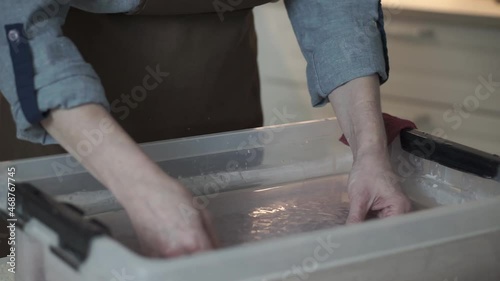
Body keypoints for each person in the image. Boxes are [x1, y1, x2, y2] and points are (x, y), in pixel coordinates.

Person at [0, 0, 411, 257]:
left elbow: (336, 9)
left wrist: (370, 153)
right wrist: (141, 190)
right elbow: (19, 20)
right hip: (72, 120)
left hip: (221, 92)